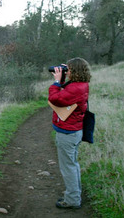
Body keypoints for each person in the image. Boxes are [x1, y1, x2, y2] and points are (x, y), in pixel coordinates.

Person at [48, 57, 91, 209]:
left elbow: (55, 99)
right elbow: (67, 91)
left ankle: (72, 200)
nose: (68, 72)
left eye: (70, 70)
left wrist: (56, 82)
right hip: (74, 131)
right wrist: (64, 76)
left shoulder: (76, 88)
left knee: (68, 167)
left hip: (68, 133)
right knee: (72, 164)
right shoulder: (81, 84)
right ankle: (75, 194)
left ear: (76, 72)